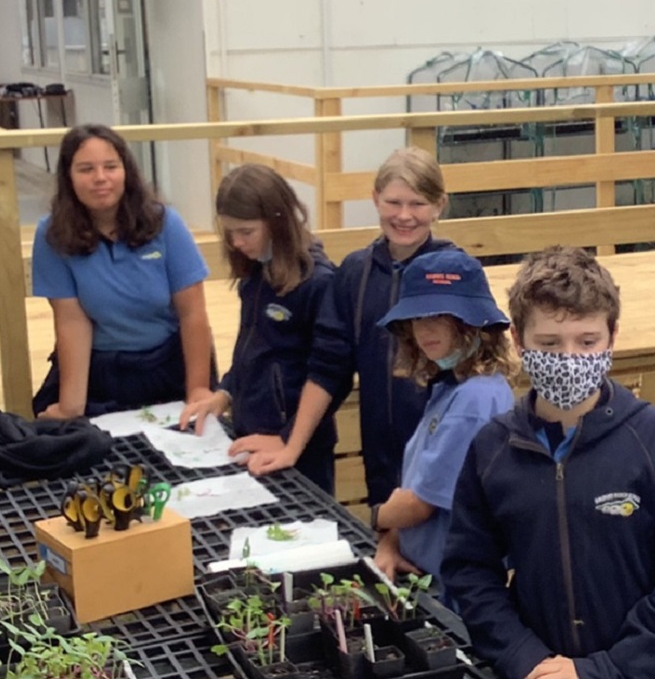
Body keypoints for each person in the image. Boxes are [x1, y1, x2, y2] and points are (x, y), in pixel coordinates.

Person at [444, 246, 655, 679]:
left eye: (586, 341)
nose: (569, 357)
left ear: (612, 338)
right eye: (549, 343)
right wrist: (529, 662)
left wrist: (606, 673)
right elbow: (469, 571)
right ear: (519, 341)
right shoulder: (493, 449)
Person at [235, 147, 452, 506]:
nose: (404, 215)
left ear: (439, 205)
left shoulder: (454, 272)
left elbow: (476, 369)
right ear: (375, 199)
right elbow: (328, 366)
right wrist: (291, 444)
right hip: (380, 460)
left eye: (417, 204)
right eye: (393, 202)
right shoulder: (355, 273)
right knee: (387, 531)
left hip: (442, 459)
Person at [30, 124, 215, 419]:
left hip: (168, 362)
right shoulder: (51, 234)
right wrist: (70, 407)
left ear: (126, 171)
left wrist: (198, 390)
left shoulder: (165, 223)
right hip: (100, 369)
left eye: (110, 167)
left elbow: (192, 313)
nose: (100, 178)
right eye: (86, 169)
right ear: (68, 176)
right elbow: (72, 322)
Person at [180, 165, 339, 491]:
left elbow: (330, 373)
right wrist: (224, 392)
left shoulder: (318, 282)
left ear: (277, 221)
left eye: (246, 232)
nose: (236, 242)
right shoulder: (256, 272)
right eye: (229, 233)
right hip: (252, 432)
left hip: (299, 448)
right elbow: (251, 346)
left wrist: (288, 440)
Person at [370, 248, 516, 600]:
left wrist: (377, 516)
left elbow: (418, 505)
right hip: (422, 575)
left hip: (452, 592)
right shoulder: (454, 388)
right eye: (417, 317)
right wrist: (390, 543)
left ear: (474, 324)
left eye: (440, 316)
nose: (426, 328)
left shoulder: (475, 400)